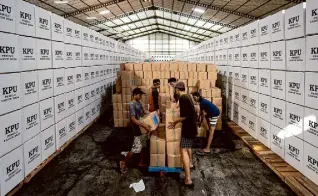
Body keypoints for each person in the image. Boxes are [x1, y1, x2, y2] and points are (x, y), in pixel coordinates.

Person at [168, 82, 197, 188]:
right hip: (192, 128)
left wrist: (174, 122)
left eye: (175, 90)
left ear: (177, 90)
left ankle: (188, 179)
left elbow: (184, 116)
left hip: (188, 129)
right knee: (187, 147)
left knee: (183, 150)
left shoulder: (184, 99)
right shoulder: (187, 96)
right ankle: (190, 164)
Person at [119, 87, 152, 174]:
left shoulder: (138, 102)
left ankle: (141, 162)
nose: (140, 96)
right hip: (138, 128)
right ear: (134, 95)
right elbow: (133, 119)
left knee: (143, 145)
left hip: (142, 128)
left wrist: (147, 112)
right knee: (136, 148)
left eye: (140, 95)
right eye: (139, 95)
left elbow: (143, 111)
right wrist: (144, 125)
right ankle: (123, 162)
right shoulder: (132, 104)